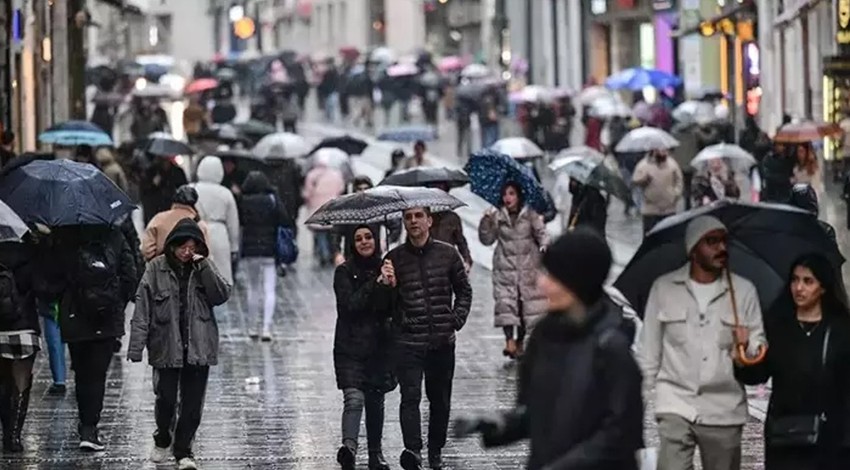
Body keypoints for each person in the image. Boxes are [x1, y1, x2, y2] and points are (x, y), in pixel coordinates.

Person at [456, 228, 644, 470]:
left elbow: (620, 435)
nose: (542, 283)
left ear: (578, 282)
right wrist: (498, 424)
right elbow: (536, 414)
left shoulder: (612, 346)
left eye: (553, 277)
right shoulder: (544, 336)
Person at [637, 216, 767, 470]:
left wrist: (746, 345)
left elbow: (758, 348)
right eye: (711, 242)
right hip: (676, 403)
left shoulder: (743, 292)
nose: (721, 248)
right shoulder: (664, 289)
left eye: (723, 241)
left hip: (724, 409)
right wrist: (636, 406)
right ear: (693, 249)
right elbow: (648, 354)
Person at [129, 218, 231, 470]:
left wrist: (204, 266)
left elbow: (221, 294)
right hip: (166, 345)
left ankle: (184, 450)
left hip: (199, 346)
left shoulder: (203, 266)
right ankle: (163, 437)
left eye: (192, 247)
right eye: (182, 247)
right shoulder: (155, 269)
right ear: (172, 245)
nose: (187, 252)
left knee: (192, 404)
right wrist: (136, 347)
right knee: (165, 399)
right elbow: (142, 308)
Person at [735, 254, 850, 470]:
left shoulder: (840, 329)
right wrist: (741, 354)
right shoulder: (777, 326)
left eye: (808, 281)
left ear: (823, 287)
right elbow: (757, 375)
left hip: (829, 439)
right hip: (784, 435)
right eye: (795, 280)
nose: (799, 288)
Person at [384, 206, 473, 470]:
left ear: (429, 220)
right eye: (408, 217)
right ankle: (413, 451)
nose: (413, 221)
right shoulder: (394, 258)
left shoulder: (448, 254)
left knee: (440, 400)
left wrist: (455, 320)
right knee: (410, 398)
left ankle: (436, 450)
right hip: (409, 343)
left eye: (418, 216)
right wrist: (386, 285)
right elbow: (386, 306)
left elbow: (464, 291)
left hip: (441, 342)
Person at [59, 224, 137, 451]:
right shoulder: (114, 234)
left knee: (82, 372)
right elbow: (130, 275)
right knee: (97, 374)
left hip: (75, 316)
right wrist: (115, 302)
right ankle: (90, 428)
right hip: (107, 317)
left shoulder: (66, 235)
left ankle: (85, 425)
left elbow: (51, 277)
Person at [333, 225, 396, 470]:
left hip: (379, 346)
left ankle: (375, 454)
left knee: (375, 400)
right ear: (352, 243)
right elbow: (350, 306)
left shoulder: (387, 267)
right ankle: (349, 448)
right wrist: (375, 283)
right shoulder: (344, 272)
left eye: (368, 237)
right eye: (358, 238)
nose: (364, 242)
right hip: (349, 346)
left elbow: (388, 309)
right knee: (354, 398)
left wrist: (390, 285)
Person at [478, 182, 548, 359]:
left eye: (511, 194)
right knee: (506, 304)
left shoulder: (530, 214)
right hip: (505, 268)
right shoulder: (497, 215)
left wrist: (544, 246)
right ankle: (509, 340)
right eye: (505, 194)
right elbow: (486, 240)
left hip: (528, 267)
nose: (507, 198)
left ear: (519, 196)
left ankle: (520, 341)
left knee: (525, 306)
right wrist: (485, 222)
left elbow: (542, 233)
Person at [239, 171, 293, 341]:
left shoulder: (244, 201)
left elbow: (240, 222)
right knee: (269, 289)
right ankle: (267, 327)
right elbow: (285, 219)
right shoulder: (272, 200)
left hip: (251, 251)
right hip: (270, 250)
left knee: (253, 288)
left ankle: (252, 326)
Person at [0, 239, 40, 453]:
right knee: (21, 383)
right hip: (24, 329)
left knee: (2, 382)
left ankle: (5, 428)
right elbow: (44, 287)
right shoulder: (29, 250)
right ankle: (13, 436)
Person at [191, 157, 240, 286]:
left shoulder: (191, 189)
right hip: (219, 234)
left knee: (195, 274)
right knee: (220, 276)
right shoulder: (226, 193)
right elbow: (233, 223)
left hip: (196, 231)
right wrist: (234, 246)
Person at [141, 186, 211, 262]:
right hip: (190, 268)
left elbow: (147, 250)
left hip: (163, 267)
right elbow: (205, 254)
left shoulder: (158, 218)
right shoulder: (199, 224)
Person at [303, 154, 346, 266]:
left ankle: (324, 254)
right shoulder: (336, 174)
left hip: (317, 208)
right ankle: (332, 254)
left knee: (320, 232)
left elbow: (307, 193)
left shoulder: (311, 175)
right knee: (331, 233)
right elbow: (341, 189)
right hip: (332, 207)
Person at [632, 148, 683, 235]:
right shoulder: (643, 165)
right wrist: (643, 180)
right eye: (660, 149)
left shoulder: (672, 164)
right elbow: (635, 181)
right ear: (654, 150)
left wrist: (675, 194)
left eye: (665, 150)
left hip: (669, 209)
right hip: (650, 210)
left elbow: (679, 181)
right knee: (650, 237)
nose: (664, 152)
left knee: (669, 237)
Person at [426, 183, 472, 272]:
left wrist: (467, 259)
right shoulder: (423, 216)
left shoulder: (452, 218)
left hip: (447, 263)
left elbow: (460, 241)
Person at [140, 156, 189, 225]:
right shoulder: (151, 172)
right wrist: (153, 184)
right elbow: (144, 192)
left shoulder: (177, 172)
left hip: (172, 210)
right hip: (155, 211)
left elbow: (184, 189)